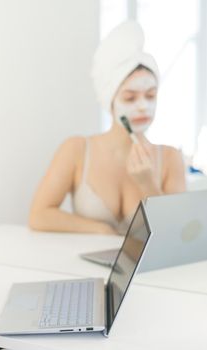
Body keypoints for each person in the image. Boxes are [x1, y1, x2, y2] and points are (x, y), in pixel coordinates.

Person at [29, 21, 186, 235]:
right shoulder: (76, 150)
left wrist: (148, 184)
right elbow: (39, 215)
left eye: (151, 95)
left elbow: (177, 233)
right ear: (109, 100)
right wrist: (101, 230)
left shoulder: (170, 158)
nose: (143, 106)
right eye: (130, 97)